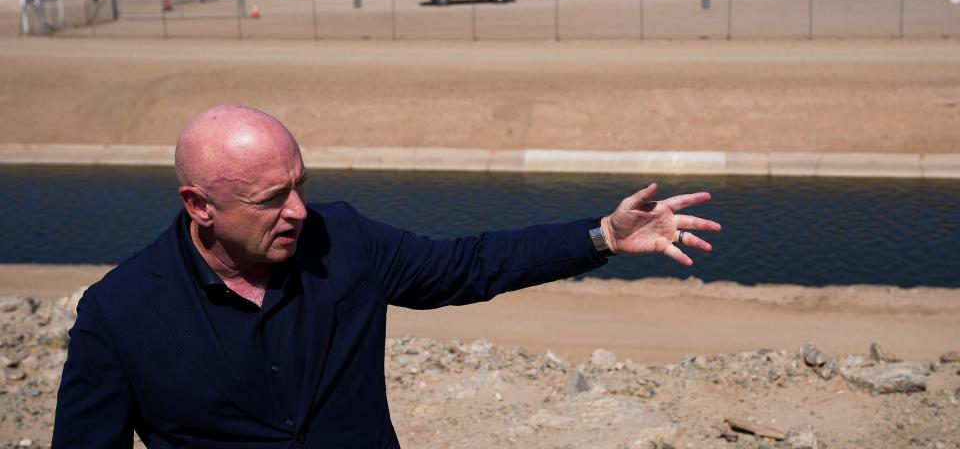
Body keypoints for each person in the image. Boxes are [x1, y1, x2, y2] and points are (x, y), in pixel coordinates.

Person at [53, 105, 721, 448]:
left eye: (300, 184)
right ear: (199, 207)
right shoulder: (119, 314)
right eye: (270, 200)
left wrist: (601, 236)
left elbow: (467, 266)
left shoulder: (343, 238)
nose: (298, 211)